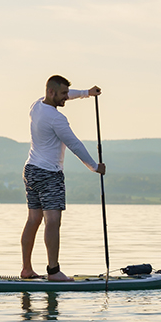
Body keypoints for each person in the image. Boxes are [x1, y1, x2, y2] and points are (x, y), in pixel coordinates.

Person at [21, 75, 106, 282]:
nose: (66, 98)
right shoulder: (57, 119)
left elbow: (67, 94)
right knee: (53, 221)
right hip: (49, 174)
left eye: (67, 93)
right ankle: (53, 271)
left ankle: (26, 269)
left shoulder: (36, 106)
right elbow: (75, 144)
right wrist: (95, 167)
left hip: (31, 170)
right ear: (51, 92)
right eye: (63, 94)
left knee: (34, 219)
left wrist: (86, 93)